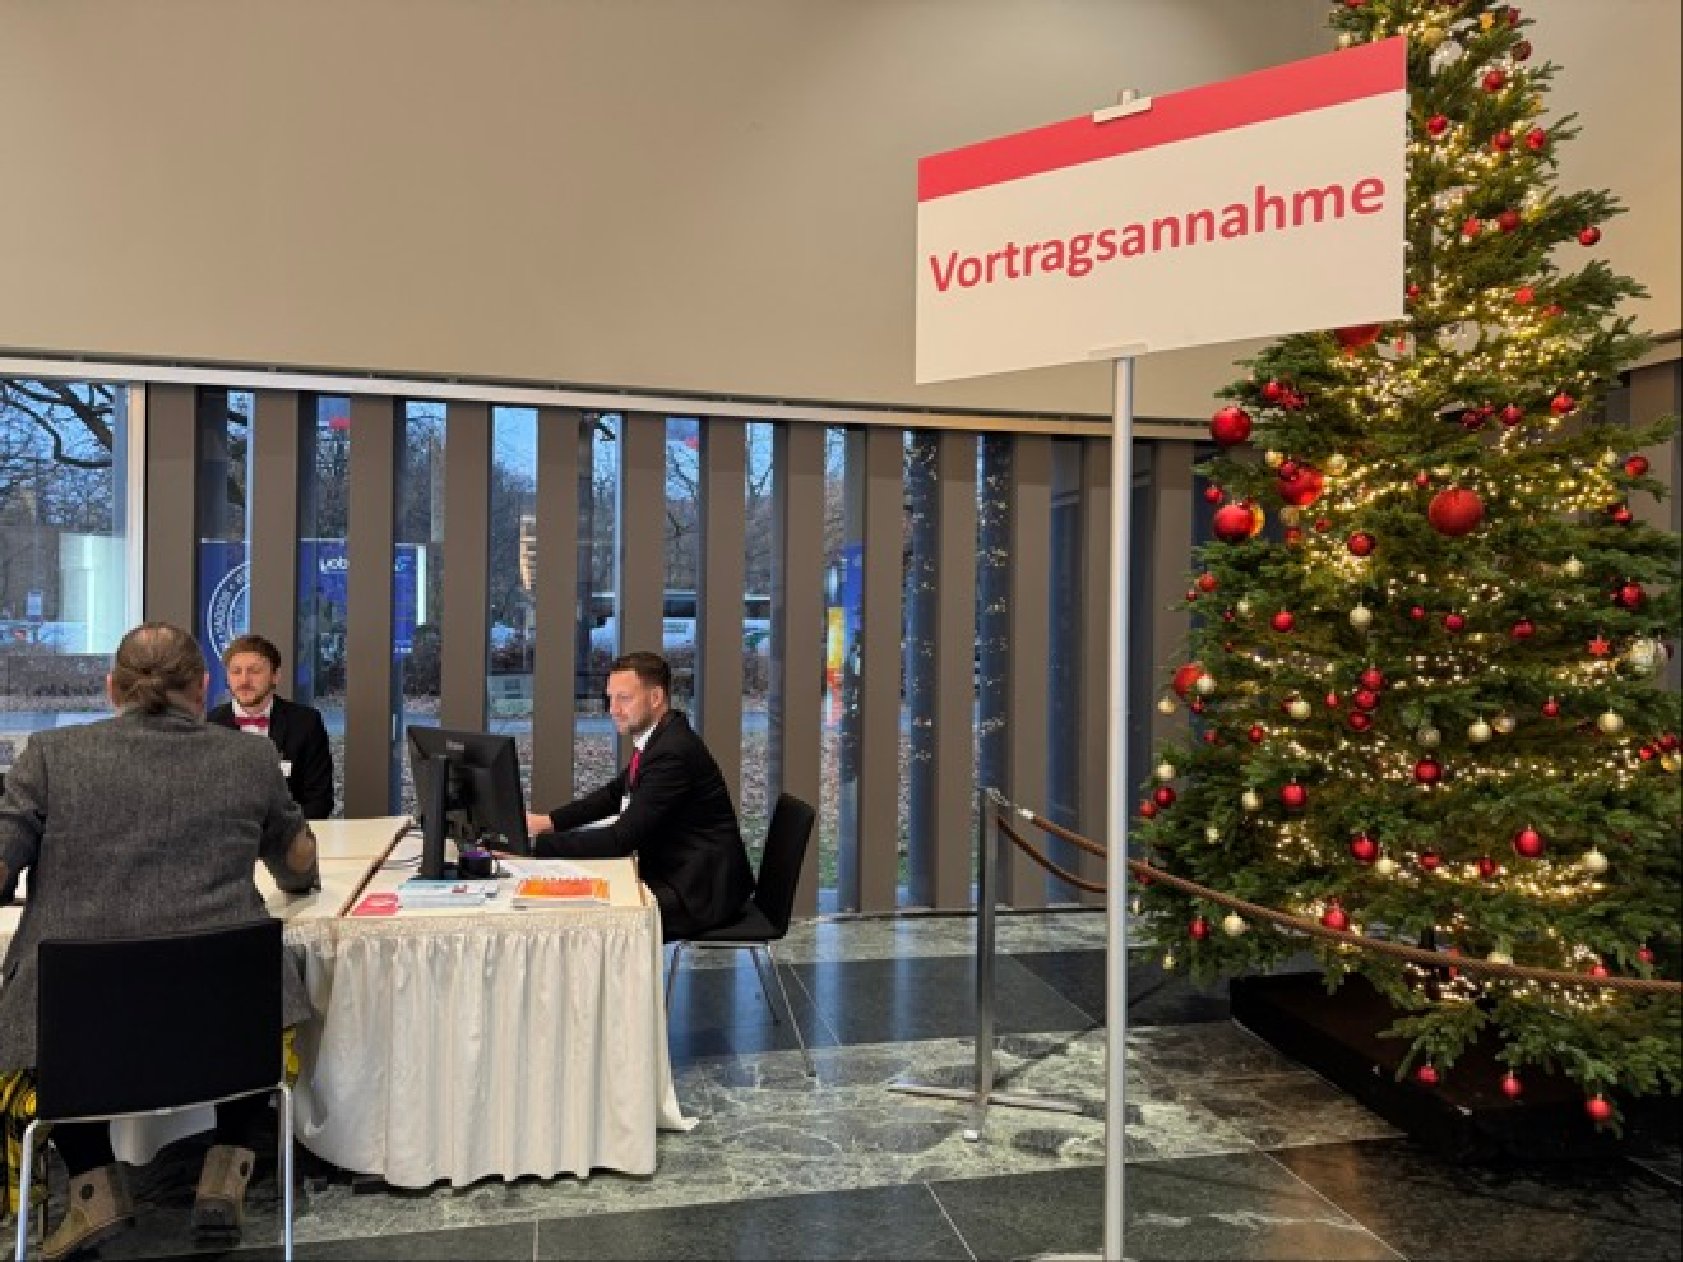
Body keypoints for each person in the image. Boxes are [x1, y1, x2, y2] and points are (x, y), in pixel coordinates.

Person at [0, 622, 318, 1259]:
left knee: (36, 1017)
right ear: (202, 688)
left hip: (77, 1029)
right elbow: (296, 862)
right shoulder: (250, 758)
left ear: (111, 688)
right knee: (271, 995)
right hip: (226, 1025)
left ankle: (92, 1190)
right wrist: (295, 868)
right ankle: (226, 1172)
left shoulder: (50, 756)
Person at [525, 650, 754, 939]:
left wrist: (532, 848)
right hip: (681, 875)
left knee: (591, 920)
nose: (613, 709)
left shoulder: (672, 753)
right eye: (610, 698)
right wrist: (546, 822)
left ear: (656, 697)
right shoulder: (661, 737)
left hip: (696, 892)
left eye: (624, 699)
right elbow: (614, 794)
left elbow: (620, 839)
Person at [207, 633, 335, 819]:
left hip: (290, 833)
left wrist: (280, 831)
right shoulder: (209, 724)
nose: (244, 680)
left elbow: (320, 800)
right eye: (236, 672)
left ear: (275, 676)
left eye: (254, 671)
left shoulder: (306, 723)